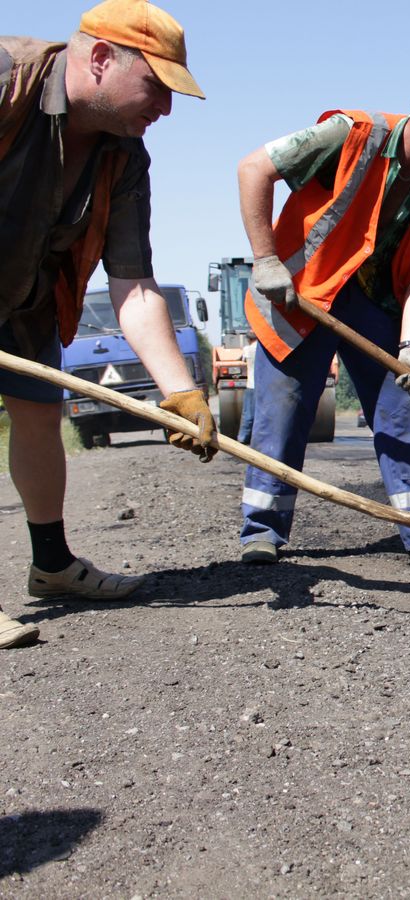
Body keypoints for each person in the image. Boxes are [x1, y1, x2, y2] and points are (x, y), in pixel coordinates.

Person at [0, 0, 217, 650]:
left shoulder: (126, 158)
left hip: (24, 292)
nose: (167, 109)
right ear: (100, 58)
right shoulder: (7, 78)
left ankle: (53, 565)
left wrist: (180, 392)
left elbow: (134, 285)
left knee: (40, 416)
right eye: (156, 86)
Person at [237, 63, 410, 565]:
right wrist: (265, 260)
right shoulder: (351, 135)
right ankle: (261, 531)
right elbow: (254, 169)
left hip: (375, 303)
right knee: (282, 410)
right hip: (305, 294)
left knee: (403, 401)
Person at [236, 336, 257, 443]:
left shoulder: (247, 349)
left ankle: (243, 438)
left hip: (251, 386)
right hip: (265, 387)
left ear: (249, 339)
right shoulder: (264, 349)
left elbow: (241, 359)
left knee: (248, 414)